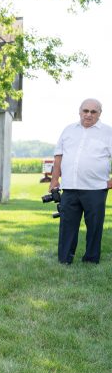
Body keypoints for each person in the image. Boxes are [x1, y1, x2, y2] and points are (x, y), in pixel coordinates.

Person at [50, 98, 112, 264]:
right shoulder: (68, 130)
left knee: (94, 226)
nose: (89, 115)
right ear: (79, 111)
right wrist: (55, 179)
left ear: (100, 113)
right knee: (67, 225)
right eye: (85, 111)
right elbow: (58, 156)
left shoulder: (108, 132)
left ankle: (91, 259)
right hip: (70, 187)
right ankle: (64, 259)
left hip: (96, 188)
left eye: (93, 111)